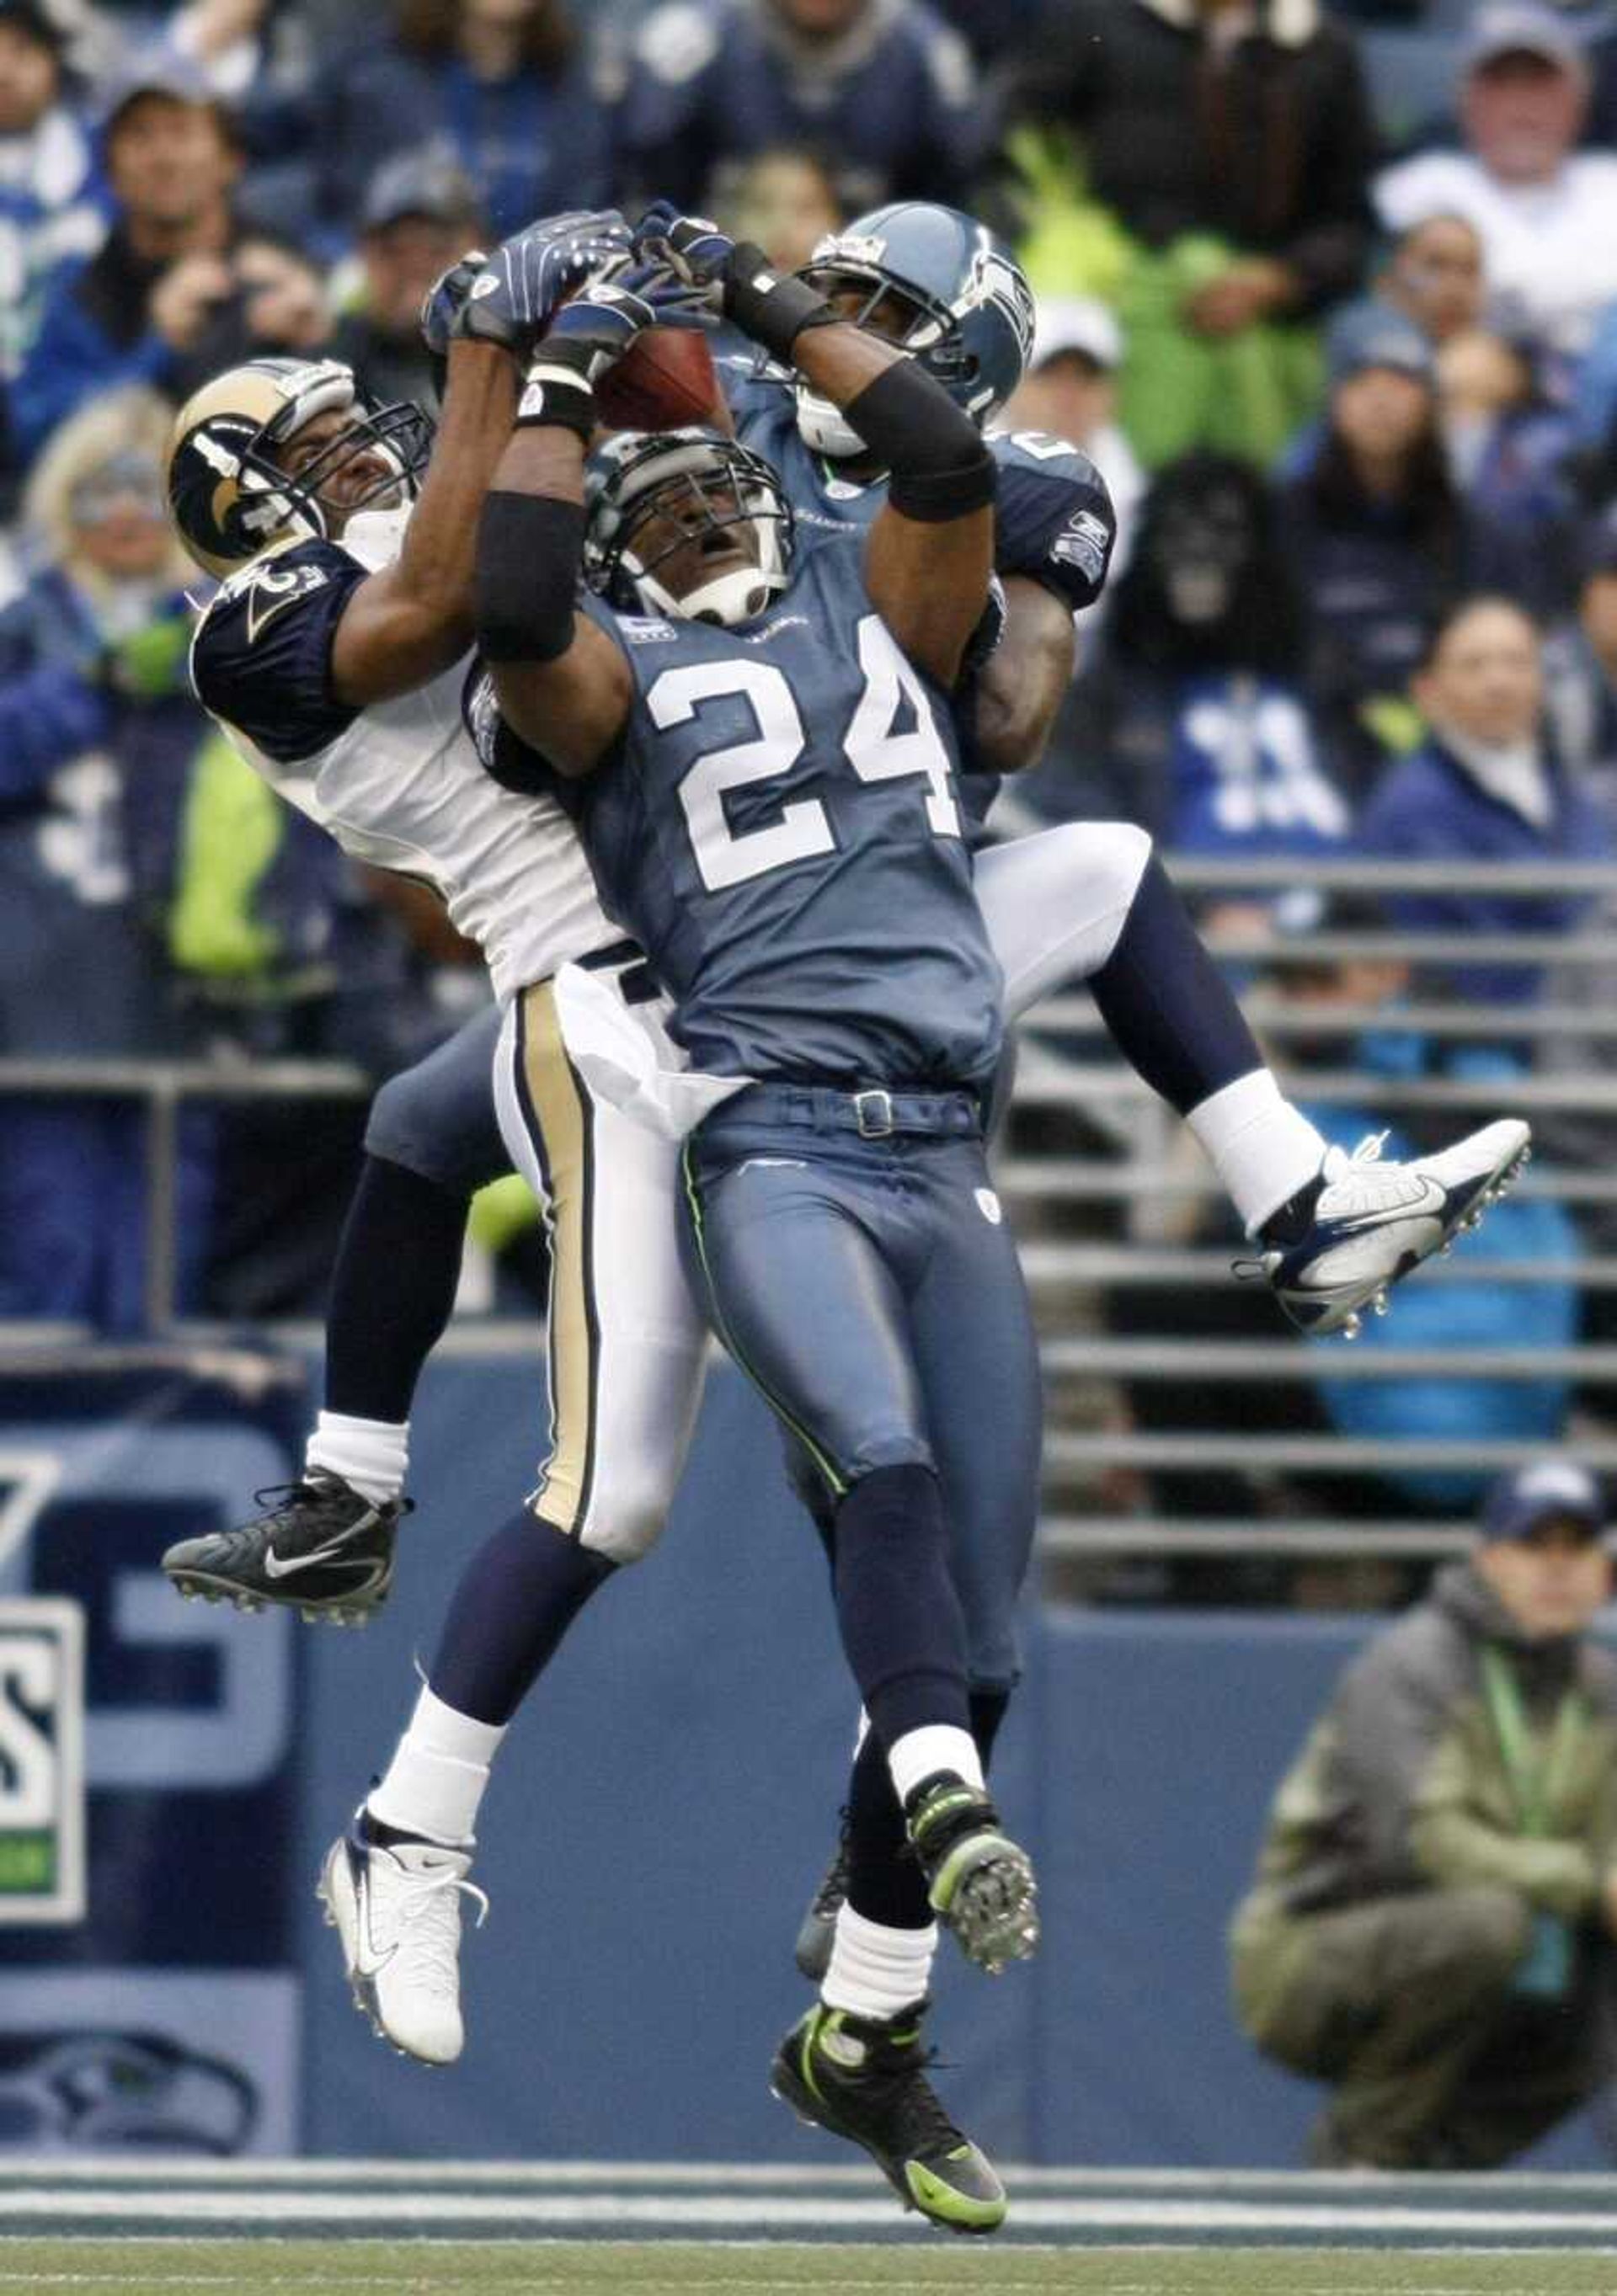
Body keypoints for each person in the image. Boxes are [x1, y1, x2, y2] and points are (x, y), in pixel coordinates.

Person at [1230, 1458, 1617, 2170]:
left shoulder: (1600, 1689)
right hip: (1312, 1953)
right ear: (1487, 1559)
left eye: (1579, 1547)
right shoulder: (1415, 1662)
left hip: (1505, 1945)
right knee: (1487, 1925)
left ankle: (1434, 2171)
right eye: (1537, 1545)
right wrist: (1592, 1883)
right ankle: (1360, 2162)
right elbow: (1419, 1839)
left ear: (1605, 1571)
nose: (1558, 1568)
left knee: (1553, 1946)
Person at [1003, 0, 1376, 469]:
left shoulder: (1323, 49)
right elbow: (1007, 158)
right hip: (1111, 311)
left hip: (1266, 338)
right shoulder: (1092, 22)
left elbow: (1350, 224)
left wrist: (1281, 279)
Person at [1276, 299, 1532, 802]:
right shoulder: (1283, 523)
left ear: (1430, 401)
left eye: (1401, 382)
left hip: (1455, 751)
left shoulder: (1474, 531)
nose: (1382, 400)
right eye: (1362, 381)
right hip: (1312, 749)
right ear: (1334, 397)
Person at [1357, 594, 1615, 1009]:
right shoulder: (1412, 810)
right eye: (1473, 665)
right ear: (1427, 689)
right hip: (1500, 1050)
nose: (1500, 682)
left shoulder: (1566, 785)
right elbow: (1480, 978)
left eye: (1517, 661)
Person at [13, 54, 249, 462]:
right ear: (109, 169)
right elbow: (36, 431)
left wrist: (323, 338)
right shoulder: (77, 294)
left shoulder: (286, 266)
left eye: (182, 132)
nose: (163, 157)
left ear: (230, 159)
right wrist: (158, 347)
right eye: (140, 136)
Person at [1374, 4, 1617, 374]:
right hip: (1458, 382)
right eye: (1501, 86)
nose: (1521, 108)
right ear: (1466, 100)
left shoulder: (1609, 182)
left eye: (1540, 86)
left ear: (1578, 99)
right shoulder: (1416, 187)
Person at [615, 0, 986, 219]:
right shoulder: (685, 52)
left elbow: (951, 216)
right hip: (706, 304)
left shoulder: (928, 60)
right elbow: (640, 207)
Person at [330, 148, 486, 414]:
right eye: (393, 250)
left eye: (435, 249)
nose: (415, 268)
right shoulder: (328, 371)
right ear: (364, 256)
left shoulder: (513, 368)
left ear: (478, 250)